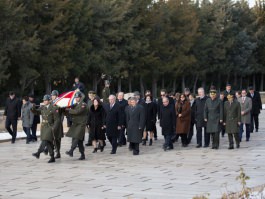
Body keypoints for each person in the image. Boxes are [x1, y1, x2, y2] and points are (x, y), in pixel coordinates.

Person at [32, 95, 56, 163]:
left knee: (45, 140)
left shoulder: (53, 108)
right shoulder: (42, 107)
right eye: (44, 100)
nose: (44, 101)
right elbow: (36, 112)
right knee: (48, 142)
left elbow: (56, 119)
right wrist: (33, 107)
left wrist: (54, 127)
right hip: (44, 126)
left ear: (49, 101)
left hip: (50, 126)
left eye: (46, 100)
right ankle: (52, 157)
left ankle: (38, 152)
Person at [65, 91, 88, 160]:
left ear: (80, 98)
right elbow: (71, 113)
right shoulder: (75, 104)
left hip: (81, 124)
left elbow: (77, 112)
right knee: (79, 141)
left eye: (77, 97)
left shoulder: (83, 104)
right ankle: (82, 154)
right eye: (76, 97)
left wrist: (69, 110)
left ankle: (71, 150)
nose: (76, 98)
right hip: (75, 123)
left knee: (77, 137)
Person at [51, 90, 64, 159]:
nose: (52, 96)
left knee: (57, 138)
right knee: (52, 137)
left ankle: (58, 152)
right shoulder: (51, 103)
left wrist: (60, 121)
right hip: (52, 123)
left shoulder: (59, 103)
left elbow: (62, 113)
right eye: (52, 95)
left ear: (56, 96)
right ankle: (55, 150)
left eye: (53, 95)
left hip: (58, 123)